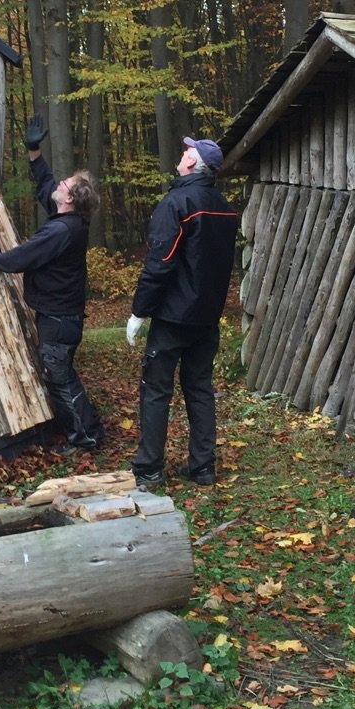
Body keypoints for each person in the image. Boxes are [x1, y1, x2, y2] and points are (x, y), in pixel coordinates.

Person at [0, 114, 104, 451]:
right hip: (61, 314)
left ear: (69, 200)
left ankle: (87, 435)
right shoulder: (70, 220)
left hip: (60, 318)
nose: (59, 186)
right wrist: (34, 150)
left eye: (64, 186)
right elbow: (46, 183)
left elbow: (25, 256)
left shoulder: (60, 231)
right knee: (60, 374)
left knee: (60, 378)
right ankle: (84, 431)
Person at [126, 137, 238, 488]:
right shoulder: (225, 207)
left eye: (185, 151)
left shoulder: (177, 204)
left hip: (174, 318)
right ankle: (203, 467)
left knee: (156, 390)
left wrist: (139, 312)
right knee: (199, 388)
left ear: (192, 161)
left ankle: (149, 469)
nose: (180, 154)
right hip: (207, 318)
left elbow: (160, 264)